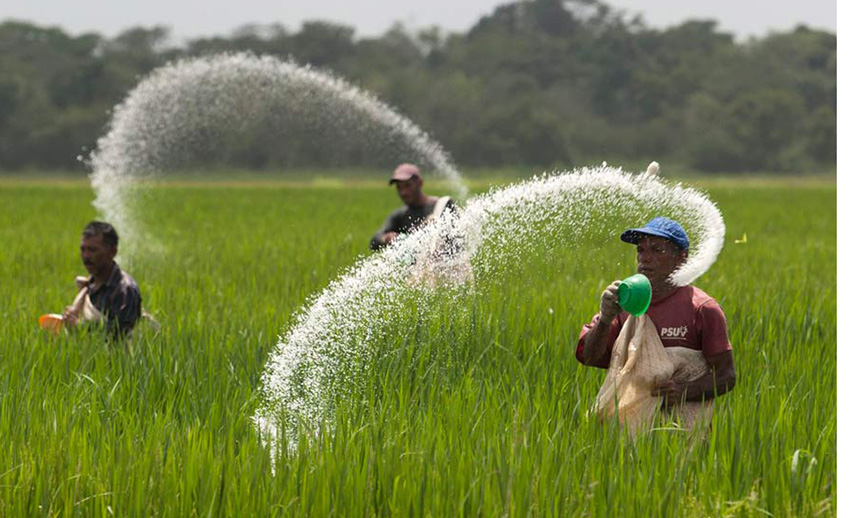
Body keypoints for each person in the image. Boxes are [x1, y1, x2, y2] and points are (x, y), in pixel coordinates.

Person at [576, 217, 736, 409]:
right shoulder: (624, 303)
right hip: (626, 428)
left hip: (683, 431)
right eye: (641, 250)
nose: (644, 258)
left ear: (681, 258)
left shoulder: (702, 309)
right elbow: (590, 357)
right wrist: (605, 318)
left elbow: (726, 376)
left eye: (657, 250)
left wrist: (683, 391)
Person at [62, 221, 142, 338]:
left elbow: (120, 333)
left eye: (92, 250)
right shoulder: (89, 285)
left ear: (112, 252)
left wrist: (80, 326)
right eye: (83, 249)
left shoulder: (124, 290)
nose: (86, 256)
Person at [369, 163, 456, 251]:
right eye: (399, 187)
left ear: (420, 183)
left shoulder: (442, 206)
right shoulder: (400, 215)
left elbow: (456, 242)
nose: (403, 192)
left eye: (407, 186)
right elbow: (374, 242)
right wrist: (386, 238)